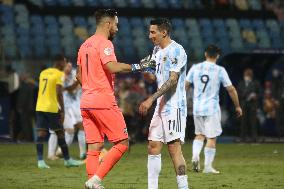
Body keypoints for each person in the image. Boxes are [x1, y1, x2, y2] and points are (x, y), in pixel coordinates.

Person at [76, 9, 155, 189]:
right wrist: (139, 66)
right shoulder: (104, 43)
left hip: (86, 101)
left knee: (94, 147)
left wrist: (90, 89)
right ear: (108, 24)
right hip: (102, 100)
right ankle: (96, 180)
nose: (117, 29)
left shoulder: (84, 45)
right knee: (122, 142)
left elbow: (78, 76)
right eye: (116, 25)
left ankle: (92, 184)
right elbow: (112, 66)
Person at [139, 18, 189, 189]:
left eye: (153, 32)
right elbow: (155, 75)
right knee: (153, 146)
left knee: (174, 148)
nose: (149, 35)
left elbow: (173, 80)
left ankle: (184, 187)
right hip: (161, 105)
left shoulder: (177, 50)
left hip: (174, 106)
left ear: (164, 32)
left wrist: (151, 98)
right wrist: (147, 74)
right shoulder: (156, 50)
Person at [185, 45, 242, 174]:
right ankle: (208, 167)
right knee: (211, 138)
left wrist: (181, 102)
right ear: (217, 56)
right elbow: (231, 89)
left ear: (205, 54)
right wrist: (237, 106)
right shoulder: (219, 70)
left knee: (199, 135)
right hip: (211, 108)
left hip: (197, 108)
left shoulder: (195, 68)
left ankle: (195, 156)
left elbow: (185, 86)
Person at [35, 54, 83, 169]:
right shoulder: (59, 74)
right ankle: (67, 160)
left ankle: (40, 161)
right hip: (52, 107)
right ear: (60, 62)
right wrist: (62, 111)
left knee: (41, 134)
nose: (65, 65)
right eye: (65, 62)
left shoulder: (43, 73)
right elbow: (59, 93)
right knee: (60, 133)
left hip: (40, 106)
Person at [47, 62, 86, 160]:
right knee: (66, 130)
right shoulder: (60, 76)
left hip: (75, 104)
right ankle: (58, 152)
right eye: (67, 66)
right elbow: (71, 89)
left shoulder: (74, 73)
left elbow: (76, 86)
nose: (69, 67)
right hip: (63, 106)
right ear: (63, 68)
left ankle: (82, 153)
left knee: (81, 127)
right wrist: (78, 81)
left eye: (70, 66)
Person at [237, 68, 260, 142]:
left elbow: (260, 93)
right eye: (246, 75)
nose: (247, 77)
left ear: (251, 76)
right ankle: (242, 138)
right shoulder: (241, 83)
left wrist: (255, 96)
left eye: (248, 75)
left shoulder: (255, 83)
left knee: (253, 122)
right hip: (244, 104)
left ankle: (254, 138)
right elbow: (238, 94)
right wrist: (246, 95)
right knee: (243, 122)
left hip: (253, 105)